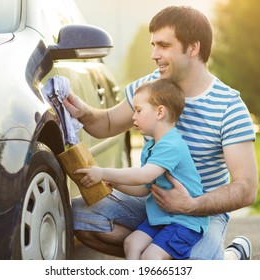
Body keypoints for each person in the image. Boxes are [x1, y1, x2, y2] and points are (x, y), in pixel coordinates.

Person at [63, 5, 258, 260]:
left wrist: (192, 204)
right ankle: (157, 255)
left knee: (193, 260)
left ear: (193, 48)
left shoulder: (229, 107)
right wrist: (84, 112)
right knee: (75, 215)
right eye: (153, 45)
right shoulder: (148, 89)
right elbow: (108, 123)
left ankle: (231, 257)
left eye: (164, 45)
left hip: (203, 213)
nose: (154, 54)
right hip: (152, 204)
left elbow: (246, 187)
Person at [75, 79, 209, 260]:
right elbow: (143, 188)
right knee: (131, 242)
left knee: (151, 257)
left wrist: (103, 172)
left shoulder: (172, 145)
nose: (133, 117)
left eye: (138, 111)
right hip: (161, 218)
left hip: (184, 222)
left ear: (160, 112)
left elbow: (143, 175)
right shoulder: (153, 145)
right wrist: (115, 182)